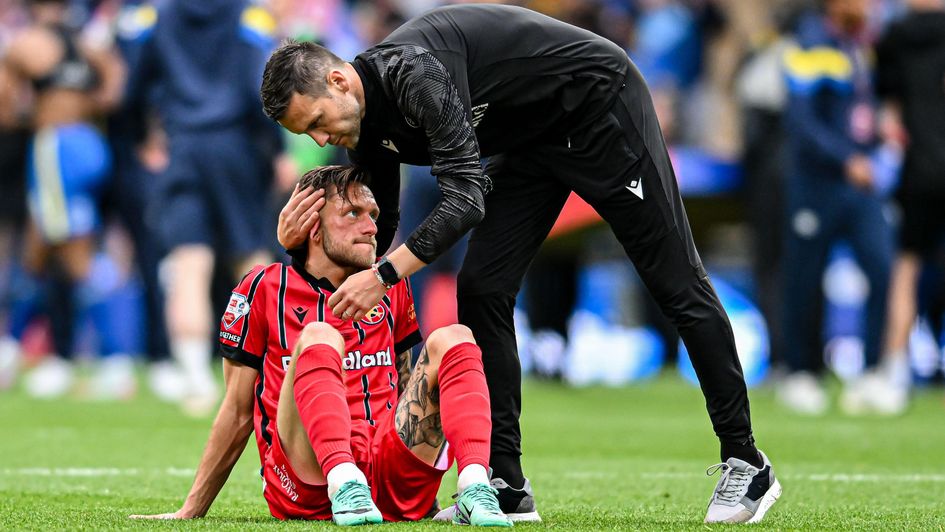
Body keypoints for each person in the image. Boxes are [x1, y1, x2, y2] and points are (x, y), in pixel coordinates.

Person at [262, 4, 778, 524]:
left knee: (675, 283)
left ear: (339, 81)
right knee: (483, 286)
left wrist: (388, 275)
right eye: (307, 135)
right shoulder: (364, 125)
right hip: (533, 139)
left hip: (599, 105)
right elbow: (377, 236)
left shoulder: (414, 73)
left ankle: (746, 461)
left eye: (318, 122)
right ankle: (506, 484)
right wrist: (298, 248)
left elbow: (464, 201)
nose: (322, 141)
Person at [130, 165, 511, 526]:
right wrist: (191, 509)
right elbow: (237, 411)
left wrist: (424, 492)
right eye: (352, 214)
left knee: (454, 336)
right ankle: (343, 479)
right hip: (307, 483)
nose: (370, 228)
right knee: (320, 334)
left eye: (373, 215)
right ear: (312, 226)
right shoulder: (261, 288)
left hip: (385, 475)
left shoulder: (388, 284)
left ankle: (475, 487)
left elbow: (405, 383)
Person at [122, 0, 285, 415]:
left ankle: (195, 379)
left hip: (183, 147)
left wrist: (143, 137)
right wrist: (277, 147)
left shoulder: (157, 17)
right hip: (237, 149)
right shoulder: (247, 15)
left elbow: (134, 88)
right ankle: (278, 369)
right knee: (250, 261)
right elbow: (258, 85)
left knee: (188, 262)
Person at [778, 0, 900, 416]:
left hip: (861, 184)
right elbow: (802, 121)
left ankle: (871, 373)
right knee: (805, 277)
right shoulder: (811, 44)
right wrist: (847, 158)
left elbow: (861, 113)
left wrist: (883, 136)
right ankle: (802, 373)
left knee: (881, 267)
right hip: (818, 184)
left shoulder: (860, 46)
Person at [0, 0, 124, 397]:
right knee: (37, 249)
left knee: (75, 255)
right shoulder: (86, 40)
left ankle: (113, 360)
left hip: (55, 147)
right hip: (92, 143)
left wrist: (27, 115)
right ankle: (18, 350)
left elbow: (4, 104)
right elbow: (115, 82)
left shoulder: (26, 43)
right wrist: (93, 101)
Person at [875, 0, 945, 406]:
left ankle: (895, 370)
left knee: (906, 269)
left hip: (919, 170)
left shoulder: (895, 36)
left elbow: (889, 116)